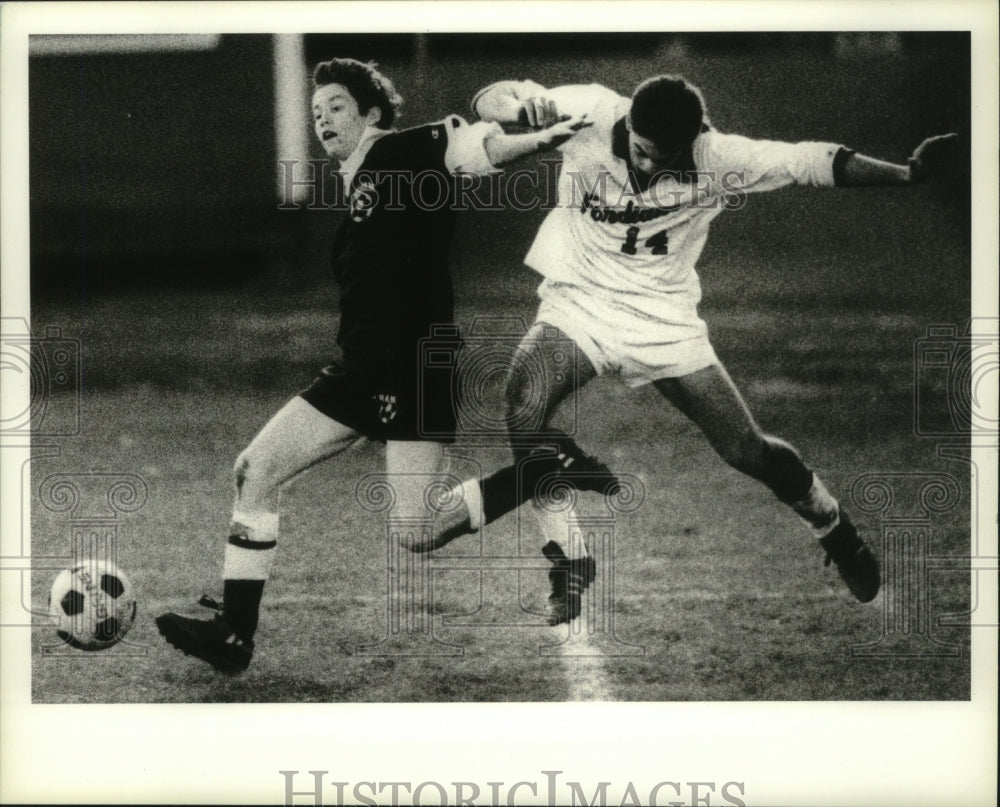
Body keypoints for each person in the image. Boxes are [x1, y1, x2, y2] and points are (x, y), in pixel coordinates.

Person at [155, 58, 608, 673]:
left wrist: (536, 142)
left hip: (413, 367)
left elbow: (477, 148)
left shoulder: (402, 149)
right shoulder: (360, 180)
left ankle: (542, 469)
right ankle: (235, 634)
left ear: (371, 113)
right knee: (254, 468)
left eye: (337, 107)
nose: (323, 120)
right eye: (316, 112)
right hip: (361, 367)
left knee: (417, 533)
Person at [460, 74, 958, 607]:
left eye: (666, 157)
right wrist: (519, 106)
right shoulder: (587, 113)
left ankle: (832, 524)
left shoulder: (721, 156)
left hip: (663, 317)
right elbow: (489, 98)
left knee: (747, 450)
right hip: (580, 299)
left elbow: (813, 161)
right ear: (627, 123)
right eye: (642, 150)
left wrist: (906, 175)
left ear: (694, 140)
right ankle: (569, 555)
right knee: (522, 402)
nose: (649, 165)